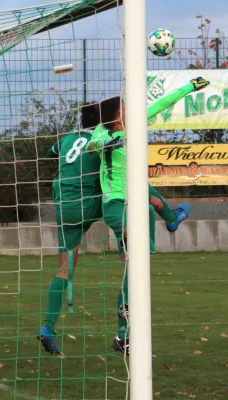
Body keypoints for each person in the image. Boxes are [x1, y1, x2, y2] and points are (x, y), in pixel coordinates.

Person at [86, 76, 210, 355]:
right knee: (136, 251)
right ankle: (166, 218)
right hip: (117, 205)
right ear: (118, 117)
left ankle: (122, 336)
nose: (133, 109)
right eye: (127, 107)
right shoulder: (102, 133)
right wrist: (111, 142)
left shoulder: (136, 124)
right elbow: (91, 146)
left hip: (135, 200)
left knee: (133, 269)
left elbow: (163, 102)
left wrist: (189, 86)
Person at [37, 104, 103, 355]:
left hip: (64, 205)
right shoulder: (101, 139)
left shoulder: (67, 138)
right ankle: (165, 213)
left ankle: (48, 328)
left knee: (66, 268)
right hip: (87, 204)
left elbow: (49, 152)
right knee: (125, 202)